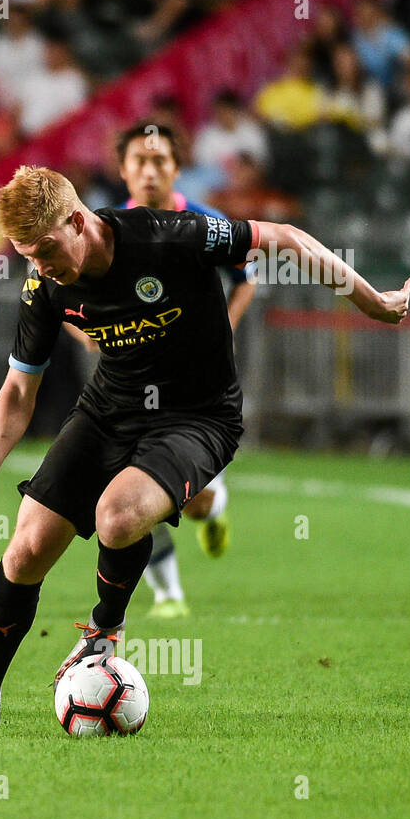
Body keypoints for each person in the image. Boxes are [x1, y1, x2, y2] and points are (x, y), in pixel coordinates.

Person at [0, 165, 410, 727]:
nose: (37, 267)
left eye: (43, 250)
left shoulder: (167, 235)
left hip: (198, 415)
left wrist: (368, 301)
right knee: (26, 549)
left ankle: (102, 633)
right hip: (108, 410)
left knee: (117, 517)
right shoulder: (45, 285)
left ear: (76, 219)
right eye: (24, 256)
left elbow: (285, 238)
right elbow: (20, 386)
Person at [111, 118, 258, 617]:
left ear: (176, 168)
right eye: (140, 161)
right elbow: (63, 286)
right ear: (124, 170)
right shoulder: (105, 226)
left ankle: (213, 508)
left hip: (196, 385)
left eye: (160, 161)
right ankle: (168, 594)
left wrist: (225, 329)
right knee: (132, 486)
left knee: (190, 501)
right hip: (131, 380)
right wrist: (88, 333)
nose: (150, 170)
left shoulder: (204, 221)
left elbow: (247, 277)